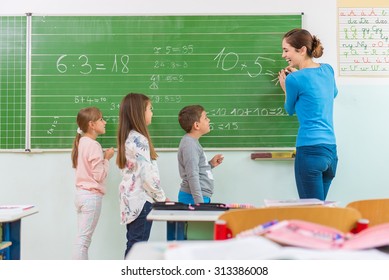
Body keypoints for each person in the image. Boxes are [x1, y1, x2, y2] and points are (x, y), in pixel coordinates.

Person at [278, 28, 338, 201]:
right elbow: (332, 94)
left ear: (302, 50)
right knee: (320, 210)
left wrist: (286, 88)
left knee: (311, 212)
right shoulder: (328, 70)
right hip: (330, 152)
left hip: (310, 150)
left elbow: (289, 109)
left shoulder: (293, 79)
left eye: (286, 50)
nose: (283, 55)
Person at [116, 93, 168, 258]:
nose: (152, 113)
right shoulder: (139, 139)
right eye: (150, 109)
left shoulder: (128, 137)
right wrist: (160, 197)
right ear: (139, 112)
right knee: (137, 249)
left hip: (130, 201)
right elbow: (147, 175)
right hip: (141, 201)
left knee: (133, 245)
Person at [71, 107, 115, 260]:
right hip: (91, 197)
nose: (105, 122)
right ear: (91, 124)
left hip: (80, 195)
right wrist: (107, 159)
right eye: (101, 119)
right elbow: (99, 176)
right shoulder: (93, 145)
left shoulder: (81, 142)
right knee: (83, 241)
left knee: (81, 238)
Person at [177, 105, 224, 205]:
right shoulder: (189, 145)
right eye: (205, 118)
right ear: (197, 125)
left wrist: (210, 164)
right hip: (193, 199)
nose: (209, 120)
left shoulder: (192, 142)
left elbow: (196, 168)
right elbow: (192, 175)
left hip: (198, 197)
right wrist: (199, 204)